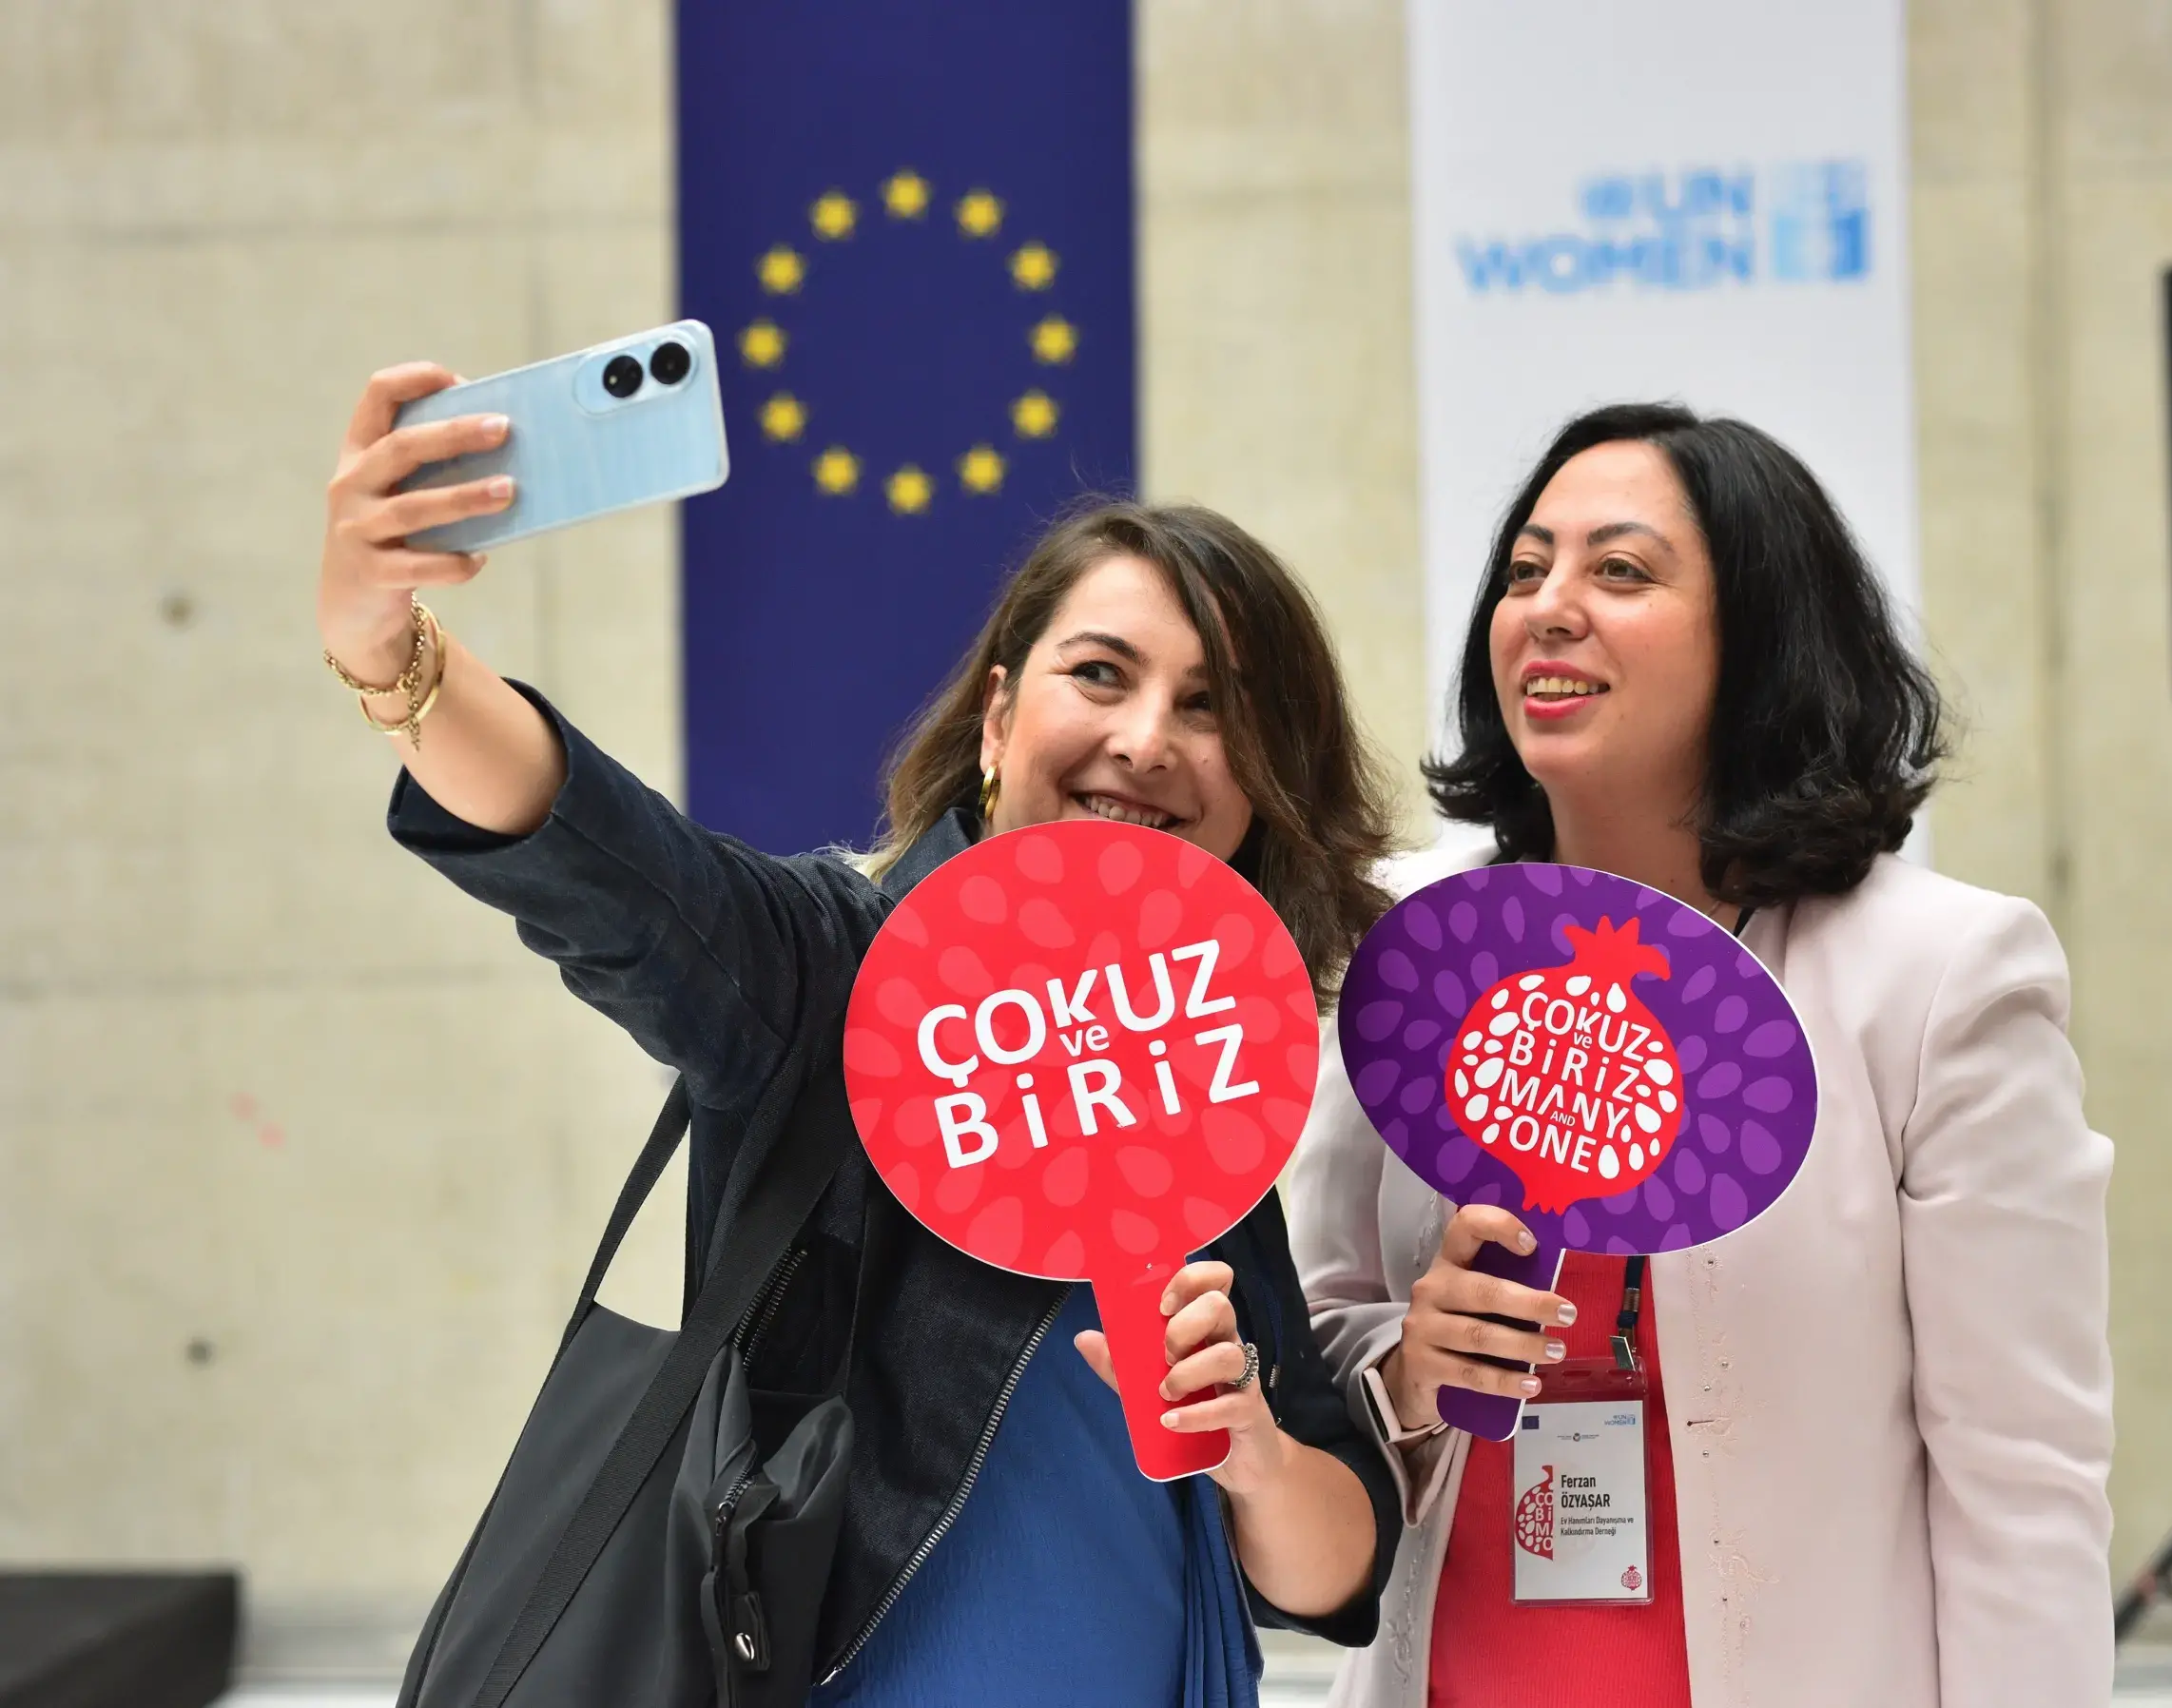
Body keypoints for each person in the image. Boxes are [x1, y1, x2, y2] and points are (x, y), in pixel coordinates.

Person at [317, 363, 1404, 1706]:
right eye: (1101, 675)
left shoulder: (1203, 1061)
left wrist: (1254, 1453)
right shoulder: (830, 971)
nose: (1148, 739)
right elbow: (615, 869)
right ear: (999, 722)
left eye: (1214, 708)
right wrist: (389, 648)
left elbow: (1327, 1572)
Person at [1288, 403, 2115, 1706]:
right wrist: (1410, 1363)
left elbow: (2023, 1481)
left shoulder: (1939, 978)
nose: (1550, 606)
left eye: (1619, 571)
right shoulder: (1411, 947)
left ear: (1765, 644)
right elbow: (1315, 1336)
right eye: (1525, 570)